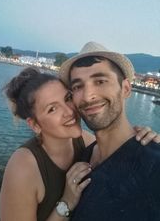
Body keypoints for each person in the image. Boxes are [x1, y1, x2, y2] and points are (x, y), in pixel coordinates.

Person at [0, 66, 160, 221]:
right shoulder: (23, 166)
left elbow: (122, 152)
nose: (69, 112)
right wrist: (66, 202)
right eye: (52, 109)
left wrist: (146, 140)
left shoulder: (87, 141)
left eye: (68, 99)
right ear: (35, 125)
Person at [59, 41, 160, 221]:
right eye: (77, 86)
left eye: (100, 81)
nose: (88, 96)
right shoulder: (83, 157)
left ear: (126, 89)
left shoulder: (153, 165)